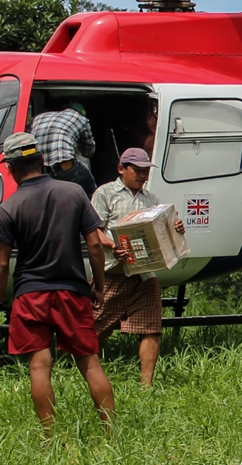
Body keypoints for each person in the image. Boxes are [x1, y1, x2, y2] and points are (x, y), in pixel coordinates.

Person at [0, 132, 116, 432]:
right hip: (72, 291)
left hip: (31, 295)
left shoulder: (9, 208)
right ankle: (112, 433)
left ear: (11, 168)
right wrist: (99, 286)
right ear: (42, 160)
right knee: (91, 364)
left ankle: (50, 436)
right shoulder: (73, 193)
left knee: (39, 366)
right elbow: (95, 245)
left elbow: (1, 265)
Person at [90, 148, 185, 388]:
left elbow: (161, 228)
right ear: (122, 169)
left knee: (151, 328)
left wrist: (176, 227)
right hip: (113, 272)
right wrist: (113, 245)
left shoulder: (150, 199)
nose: (142, 176)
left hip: (144, 274)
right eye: (138, 171)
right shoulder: (105, 194)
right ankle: (88, 373)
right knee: (94, 328)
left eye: (145, 172)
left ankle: (146, 385)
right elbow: (94, 230)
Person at [32, 102, 97, 196]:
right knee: (90, 190)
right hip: (65, 168)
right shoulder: (80, 118)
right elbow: (88, 151)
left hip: (39, 171)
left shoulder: (38, 118)